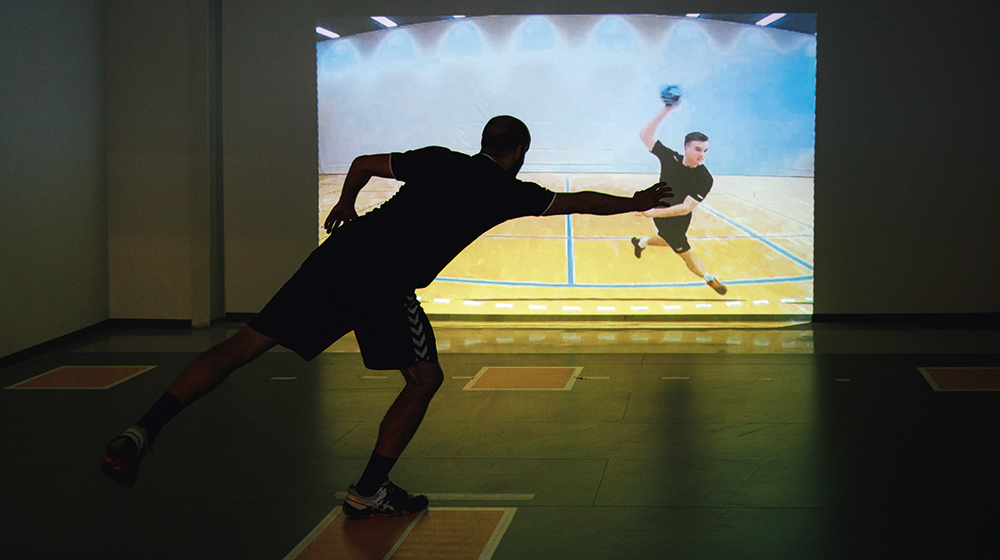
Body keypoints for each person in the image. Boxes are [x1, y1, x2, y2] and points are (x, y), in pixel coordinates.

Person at [101, 115, 673, 519]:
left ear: (482, 142)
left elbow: (363, 162)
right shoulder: (507, 192)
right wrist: (639, 202)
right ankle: (369, 492)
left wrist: (345, 203)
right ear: (519, 153)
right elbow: (580, 203)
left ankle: (142, 429)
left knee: (246, 343)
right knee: (425, 380)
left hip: (338, 258)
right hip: (382, 282)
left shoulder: (437, 161)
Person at [631, 102, 727, 295]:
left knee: (668, 241)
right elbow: (645, 135)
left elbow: (685, 208)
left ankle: (641, 242)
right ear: (686, 148)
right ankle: (708, 277)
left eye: (705, 151)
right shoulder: (670, 158)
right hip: (667, 221)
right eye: (698, 150)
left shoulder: (704, 178)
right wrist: (665, 111)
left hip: (678, 218)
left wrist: (651, 212)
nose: (702, 155)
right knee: (688, 258)